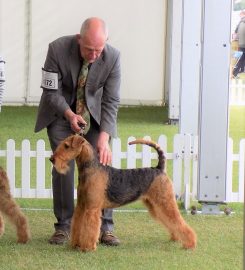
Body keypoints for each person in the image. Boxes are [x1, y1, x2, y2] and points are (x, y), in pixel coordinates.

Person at [34, 17, 121, 246]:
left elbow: (111, 100)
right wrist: (70, 115)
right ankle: (63, 226)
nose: (93, 55)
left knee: (99, 166)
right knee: (63, 165)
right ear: (78, 39)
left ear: (106, 43)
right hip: (60, 113)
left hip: (93, 116)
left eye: (98, 50)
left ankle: (106, 227)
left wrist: (104, 137)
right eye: (88, 49)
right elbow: (50, 92)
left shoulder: (113, 57)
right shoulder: (57, 49)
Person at [232, 10, 245, 78]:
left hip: (240, 43)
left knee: (240, 58)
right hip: (243, 44)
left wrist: (234, 39)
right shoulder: (241, 22)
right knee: (240, 58)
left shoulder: (240, 22)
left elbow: (235, 32)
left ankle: (241, 70)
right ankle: (234, 72)